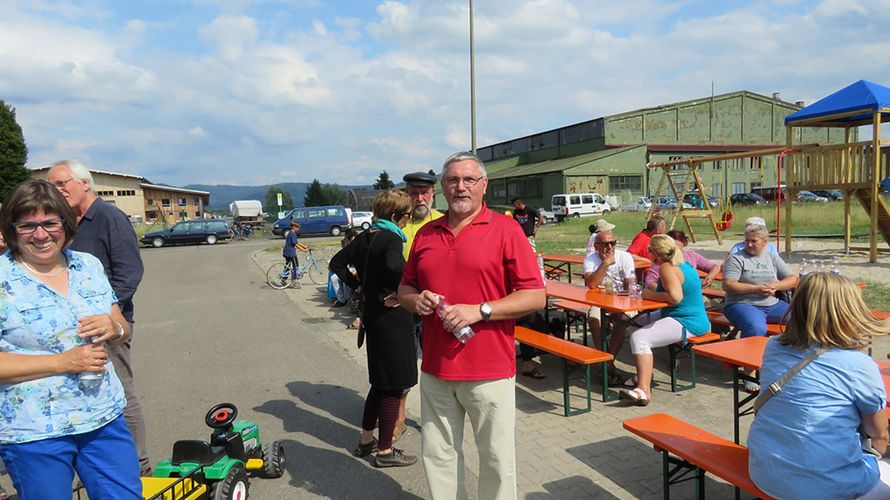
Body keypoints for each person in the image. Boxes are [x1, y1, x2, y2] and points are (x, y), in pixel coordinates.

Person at [398, 151, 545, 500]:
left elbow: (535, 296)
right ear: (443, 188)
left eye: (468, 180)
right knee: (438, 456)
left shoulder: (506, 230)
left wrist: (480, 310)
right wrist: (414, 301)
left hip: (489, 370)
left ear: (483, 186)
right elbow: (405, 287)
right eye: (452, 180)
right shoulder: (426, 234)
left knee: (495, 459)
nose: (460, 187)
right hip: (435, 369)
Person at [0, 180, 141, 499]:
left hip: (103, 417)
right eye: (28, 225)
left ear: (66, 223)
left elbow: (121, 326)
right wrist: (64, 362)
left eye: (50, 222)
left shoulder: (88, 266)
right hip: (34, 431)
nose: (40, 234)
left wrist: (113, 328)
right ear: (12, 228)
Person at [46, 160, 150, 475]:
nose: (57, 190)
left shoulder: (108, 217)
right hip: (72, 327)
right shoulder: (63, 222)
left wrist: (109, 314)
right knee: (85, 391)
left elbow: (129, 272)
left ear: (85, 184)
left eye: (62, 183)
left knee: (120, 389)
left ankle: (138, 463)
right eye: (53, 185)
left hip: (108, 326)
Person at [748, 272, 890, 499]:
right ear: (850, 312)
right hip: (824, 487)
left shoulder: (773, 346)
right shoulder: (859, 365)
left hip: (765, 472)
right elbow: (879, 435)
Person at [330, 190, 418, 468]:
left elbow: (336, 263)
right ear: (394, 216)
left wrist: (360, 289)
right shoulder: (391, 238)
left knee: (379, 384)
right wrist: (402, 288)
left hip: (373, 318)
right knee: (394, 385)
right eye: (405, 217)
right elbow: (394, 265)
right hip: (393, 320)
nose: (407, 222)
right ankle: (385, 451)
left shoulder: (366, 237)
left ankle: (366, 441)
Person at [619, 235, 709, 405]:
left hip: (687, 320)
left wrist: (647, 294)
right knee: (632, 324)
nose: (648, 253)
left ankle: (643, 390)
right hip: (679, 315)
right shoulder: (681, 263)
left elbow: (675, 297)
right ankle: (644, 372)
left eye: (649, 250)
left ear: (656, 253)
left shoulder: (667, 267)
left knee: (639, 338)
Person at [722, 223, 797, 391]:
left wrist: (777, 286)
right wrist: (755, 288)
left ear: (764, 241)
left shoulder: (771, 256)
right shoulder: (737, 258)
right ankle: (749, 372)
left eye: (753, 241)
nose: (748, 244)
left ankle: (790, 362)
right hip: (742, 304)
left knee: (802, 317)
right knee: (755, 327)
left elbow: (792, 278)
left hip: (771, 303)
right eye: (747, 241)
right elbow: (728, 285)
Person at [584, 229, 636, 384]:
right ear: (597, 246)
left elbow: (631, 284)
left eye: (613, 243)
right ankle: (606, 361)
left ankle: (608, 363)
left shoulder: (625, 257)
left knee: (622, 320)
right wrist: (605, 263)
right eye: (605, 244)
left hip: (620, 300)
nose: (610, 247)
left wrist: (629, 284)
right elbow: (591, 283)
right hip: (598, 300)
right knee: (594, 321)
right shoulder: (591, 259)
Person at [644, 229, 719, 289]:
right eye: (673, 247)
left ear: (683, 244)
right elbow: (649, 281)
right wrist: (660, 292)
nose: (675, 250)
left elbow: (715, 267)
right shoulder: (661, 262)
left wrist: (710, 277)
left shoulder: (691, 256)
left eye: (677, 247)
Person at [401, 171, 444, 260]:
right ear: (407, 194)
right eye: (414, 193)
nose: (420, 199)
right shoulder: (398, 223)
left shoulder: (444, 221)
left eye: (424, 193)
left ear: (433, 193)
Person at [282, 220, 309, 287]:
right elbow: (295, 244)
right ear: (294, 227)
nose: (298, 229)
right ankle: (295, 281)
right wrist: (303, 250)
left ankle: (283, 279)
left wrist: (304, 246)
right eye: (297, 227)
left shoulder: (291, 233)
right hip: (290, 252)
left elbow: (297, 242)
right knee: (295, 265)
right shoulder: (292, 233)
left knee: (288, 265)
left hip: (287, 252)